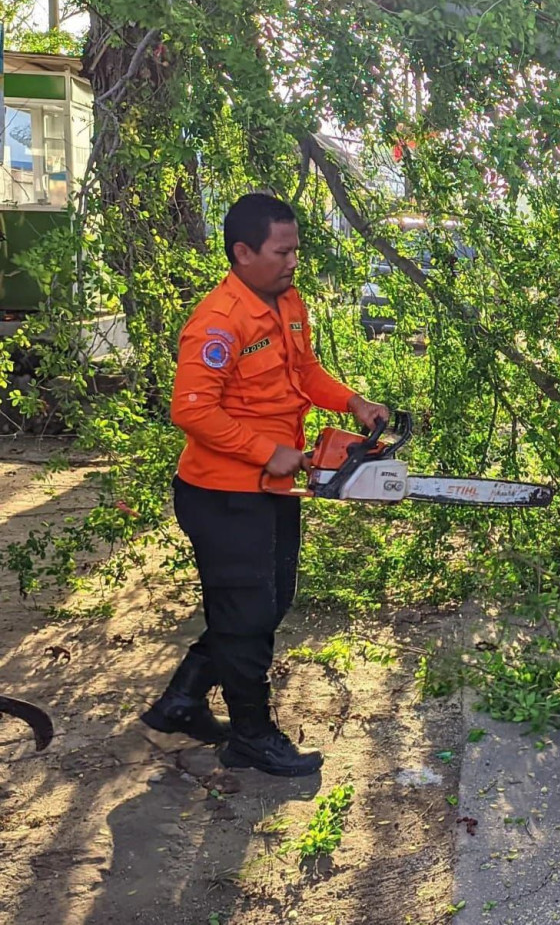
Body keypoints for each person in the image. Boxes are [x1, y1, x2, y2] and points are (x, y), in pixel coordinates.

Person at [141, 193, 388, 777]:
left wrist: (352, 401)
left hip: (273, 488)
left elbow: (303, 372)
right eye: (282, 252)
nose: (292, 262)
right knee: (249, 613)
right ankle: (251, 736)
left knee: (268, 602)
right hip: (223, 495)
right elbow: (192, 410)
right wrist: (266, 451)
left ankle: (182, 699)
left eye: (296, 251)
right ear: (243, 252)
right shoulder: (217, 322)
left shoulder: (286, 302)